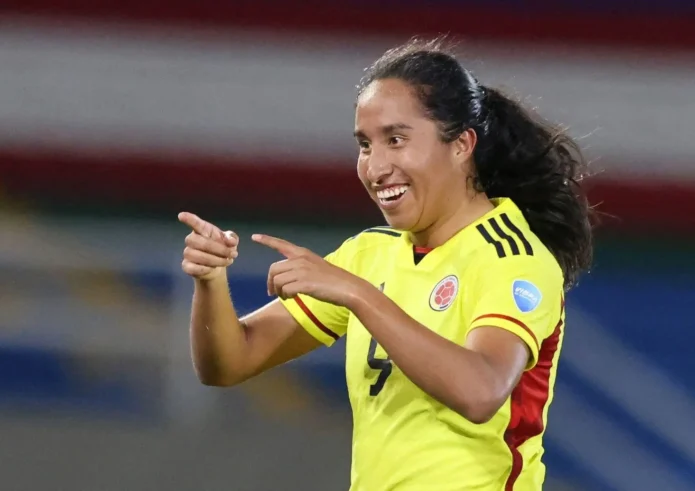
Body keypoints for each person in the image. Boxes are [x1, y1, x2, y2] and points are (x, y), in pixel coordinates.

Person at [177, 37, 593, 491]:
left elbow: (482, 390)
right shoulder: (369, 254)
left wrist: (359, 296)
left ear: (461, 145)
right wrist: (211, 280)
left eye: (396, 140)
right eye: (365, 145)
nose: (376, 168)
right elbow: (228, 363)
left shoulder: (512, 256)